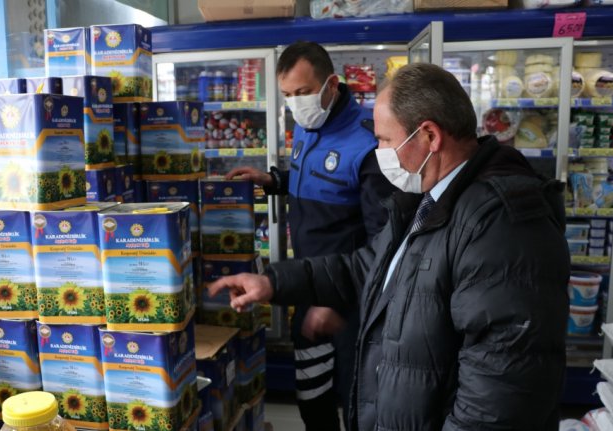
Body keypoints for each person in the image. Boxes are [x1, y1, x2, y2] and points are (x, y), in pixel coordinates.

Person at [211, 63, 570, 430]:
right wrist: (272, 283)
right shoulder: (428, 197)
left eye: (383, 139)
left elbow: (499, 398)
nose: (379, 151)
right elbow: (367, 268)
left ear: (429, 135)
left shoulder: (503, 226)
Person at [226, 41, 395, 430]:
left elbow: (384, 242)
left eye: (302, 92)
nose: (295, 104)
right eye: (287, 95)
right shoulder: (306, 127)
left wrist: (337, 303)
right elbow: (319, 180)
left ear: (331, 84)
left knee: (358, 406)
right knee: (313, 404)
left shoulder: (370, 143)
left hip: (351, 306)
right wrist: (274, 181)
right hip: (308, 291)